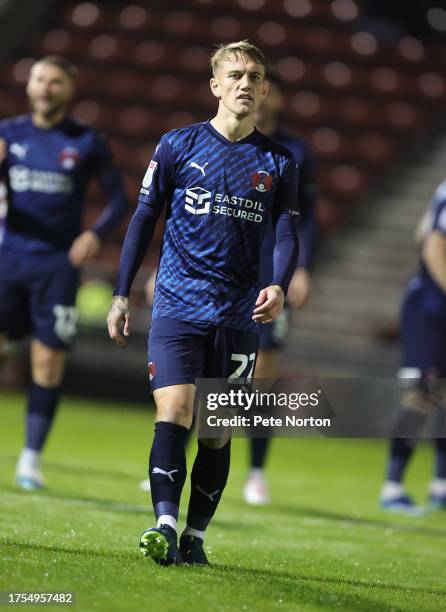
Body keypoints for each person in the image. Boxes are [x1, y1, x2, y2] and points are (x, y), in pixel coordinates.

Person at [107, 40, 300, 566]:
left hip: (238, 314)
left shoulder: (278, 161)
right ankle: (165, 526)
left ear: (264, 90)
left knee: (216, 433)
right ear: (215, 85)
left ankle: (194, 537)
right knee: (175, 409)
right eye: (234, 74)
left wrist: (279, 283)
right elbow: (143, 219)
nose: (244, 83)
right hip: (177, 303)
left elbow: (286, 232)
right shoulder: (178, 145)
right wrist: (122, 293)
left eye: (254, 76)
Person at [0, 56, 128, 490]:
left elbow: (118, 200)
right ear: (29, 84)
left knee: (48, 363)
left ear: (69, 89)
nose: (45, 88)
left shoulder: (88, 141)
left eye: (55, 81)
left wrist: (95, 233)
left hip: (57, 266)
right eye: (39, 79)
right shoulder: (7, 134)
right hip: (7, 259)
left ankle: (30, 461)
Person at [243, 69, 318, 505]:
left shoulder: (296, 150)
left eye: (266, 86)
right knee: (208, 371)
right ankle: (183, 457)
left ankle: (256, 472)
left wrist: (302, 268)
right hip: (227, 268)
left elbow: (308, 217)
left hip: (273, 272)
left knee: (264, 376)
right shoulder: (223, 142)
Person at [380, 178, 446, 513]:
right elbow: (433, 242)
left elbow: (421, 230)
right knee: (421, 394)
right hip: (431, 309)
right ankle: (392, 487)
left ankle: (441, 486)